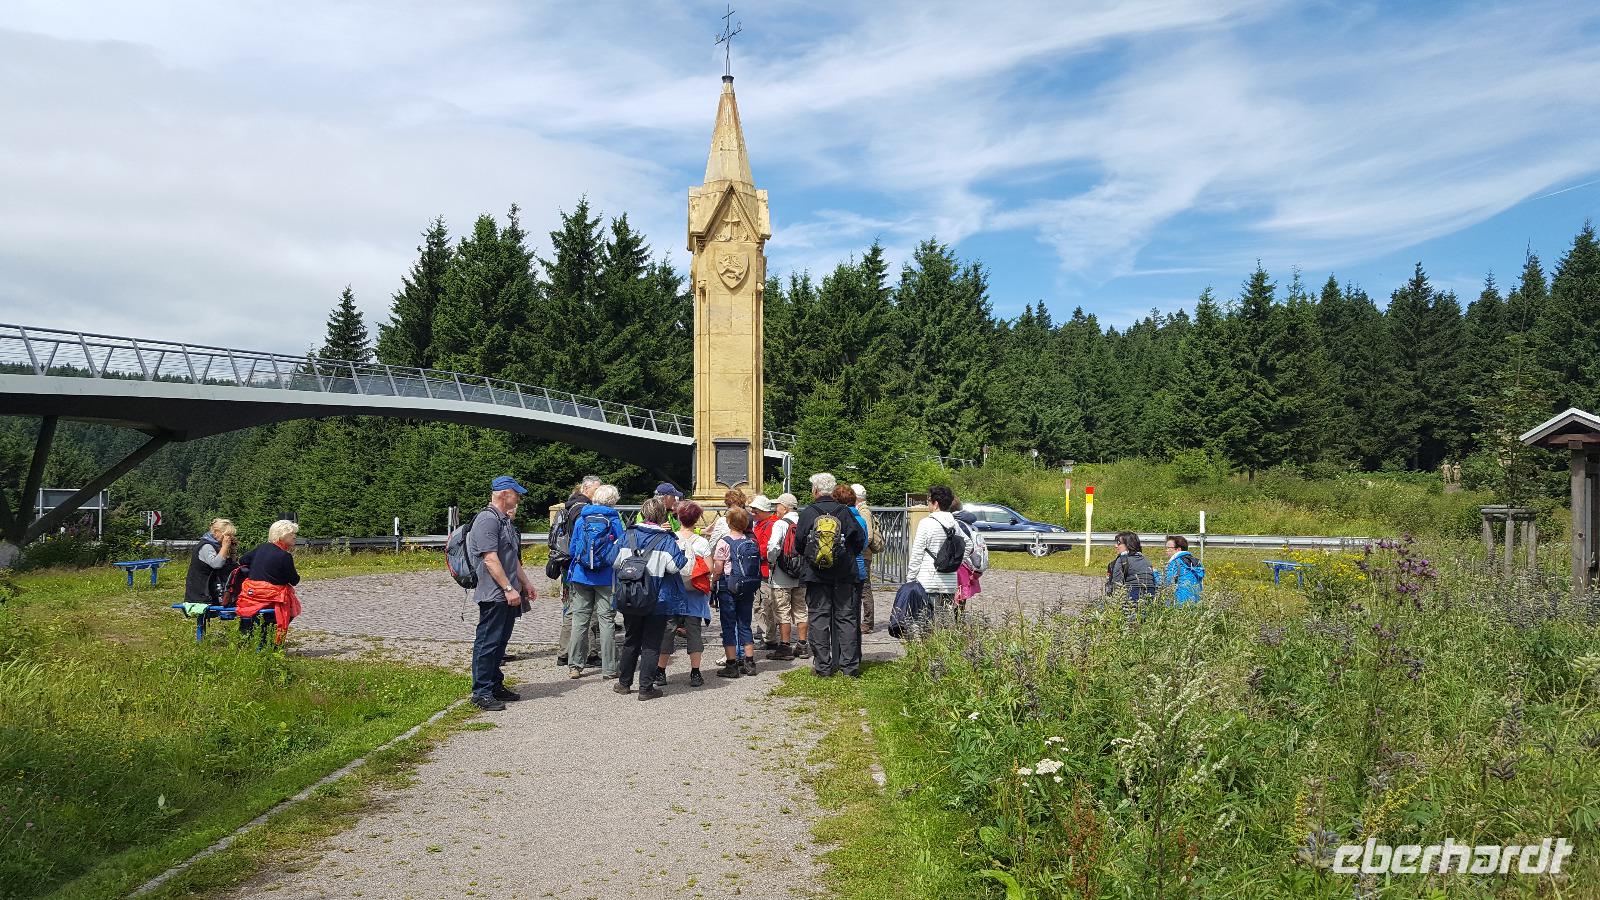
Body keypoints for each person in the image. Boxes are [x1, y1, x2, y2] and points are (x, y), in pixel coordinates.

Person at [463, 477, 536, 711]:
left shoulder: (505, 521)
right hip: (494, 594)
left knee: (500, 642)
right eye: (517, 494)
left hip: (509, 593)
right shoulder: (487, 520)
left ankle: (495, 685)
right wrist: (508, 588)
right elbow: (490, 559)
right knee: (487, 642)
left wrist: (526, 583)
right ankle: (481, 692)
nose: (519, 499)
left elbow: (511, 557)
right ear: (505, 494)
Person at [791, 473, 867, 678]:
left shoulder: (808, 513)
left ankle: (823, 667)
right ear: (832, 491)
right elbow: (859, 541)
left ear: (815, 490)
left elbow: (798, 544)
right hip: (844, 575)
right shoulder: (844, 511)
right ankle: (849, 667)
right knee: (846, 618)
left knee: (818, 619)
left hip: (816, 575)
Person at [611, 498, 686, 700]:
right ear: (662, 516)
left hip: (630, 596)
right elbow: (675, 567)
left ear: (642, 514)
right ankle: (646, 688)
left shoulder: (627, 535)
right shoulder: (666, 540)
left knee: (631, 639)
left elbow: (613, 561)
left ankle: (624, 683)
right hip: (657, 598)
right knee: (652, 643)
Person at [567, 483, 625, 680]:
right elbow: (622, 548)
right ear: (613, 501)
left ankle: (575, 666)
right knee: (606, 621)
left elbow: (573, 549)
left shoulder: (581, 518)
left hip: (581, 575)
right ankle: (609, 668)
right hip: (606, 577)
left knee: (579, 621)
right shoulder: (614, 519)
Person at [656, 500, 713, 688]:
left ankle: (661, 671)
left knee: (667, 629)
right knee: (694, 630)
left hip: (673, 590)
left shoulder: (671, 539)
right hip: (694, 591)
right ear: (697, 519)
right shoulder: (702, 542)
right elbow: (710, 568)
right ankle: (695, 673)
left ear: (678, 518)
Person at [711, 506, 762, 678]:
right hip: (747, 586)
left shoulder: (724, 542)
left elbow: (718, 568)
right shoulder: (751, 541)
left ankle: (731, 664)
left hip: (729, 586)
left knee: (728, 624)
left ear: (729, 522)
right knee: (745, 623)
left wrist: (713, 581)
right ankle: (749, 662)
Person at [556, 475, 601, 667]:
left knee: (571, 609)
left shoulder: (570, 506)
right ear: (586, 489)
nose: (598, 493)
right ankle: (589, 653)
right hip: (580, 566)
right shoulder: (583, 510)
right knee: (586, 611)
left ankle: (564, 653)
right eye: (596, 489)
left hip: (568, 565)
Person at [237, 519, 303, 646]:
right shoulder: (284, 556)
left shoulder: (261, 548)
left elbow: (242, 560)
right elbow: (294, 580)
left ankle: (254, 638)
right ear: (282, 535)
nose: (295, 536)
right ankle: (271, 641)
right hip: (270, 597)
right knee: (293, 608)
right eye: (292, 534)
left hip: (251, 594)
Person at [907, 485, 962, 630]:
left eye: (929, 500)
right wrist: (953, 562)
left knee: (926, 623)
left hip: (928, 580)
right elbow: (966, 546)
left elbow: (917, 553)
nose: (927, 503)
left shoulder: (926, 523)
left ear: (936, 503)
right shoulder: (955, 524)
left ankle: (929, 650)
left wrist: (910, 579)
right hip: (949, 581)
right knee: (944, 623)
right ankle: (944, 650)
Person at [764, 492, 809, 661]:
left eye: (778, 505)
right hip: (802, 573)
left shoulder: (780, 524)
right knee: (800, 609)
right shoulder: (805, 521)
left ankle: (785, 647)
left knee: (782, 610)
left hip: (782, 574)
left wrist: (771, 561)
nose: (776, 508)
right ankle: (803, 645)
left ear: (785, 507)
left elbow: (773, 546)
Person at [835, 484, 871, 632]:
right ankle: (854, 650)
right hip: (858, 567)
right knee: (854, 611)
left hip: (840, 570)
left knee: (841, 611)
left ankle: (841, 648)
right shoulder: (860, 519)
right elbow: (863, 543)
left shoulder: (836, 518)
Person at [852, 484, 886, 633]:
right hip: (863, 554)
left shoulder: (864, 511)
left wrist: (858, 546)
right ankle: (864, 621)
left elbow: (868, 535)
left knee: (864, 588)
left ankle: (867, 623)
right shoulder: (862, 510)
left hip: (863, 555)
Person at [749, 494, 780, 650]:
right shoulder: (764, 523)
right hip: (764, 570)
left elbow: (766, 548)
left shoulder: (770, 524)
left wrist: (750, 552)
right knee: (764, 604)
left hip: (765, 570)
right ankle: (769, 636)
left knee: (763, 605)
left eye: (755, 510)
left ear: (763, 510)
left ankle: (769, 638)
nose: (752, 513)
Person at [184, 517, 237, 607]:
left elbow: (231, 568)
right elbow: (217, 564)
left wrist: (232, 551)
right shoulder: (206, 546)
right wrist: (224, 547)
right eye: (227, 535)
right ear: (216, 532)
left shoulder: (218, 546)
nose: (229, 538)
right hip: (201, 594)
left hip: (214, 591)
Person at [1106, 531, 1157, 615]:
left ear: (1128, 544)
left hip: (1132, 596)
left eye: (1119, 543)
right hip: (1150, 596)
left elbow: (1116, 585)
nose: (1116, 546)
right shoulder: (1146, 559)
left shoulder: (1122, 559)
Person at [1157, 535, 1205, 605]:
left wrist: (1153, 573)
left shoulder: (1175, 563)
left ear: (1178, 549)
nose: (1166, 550)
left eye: (1168, 548)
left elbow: (1164, 582)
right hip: (1196, 603)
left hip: (1179, 605)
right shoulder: (1196, 562)